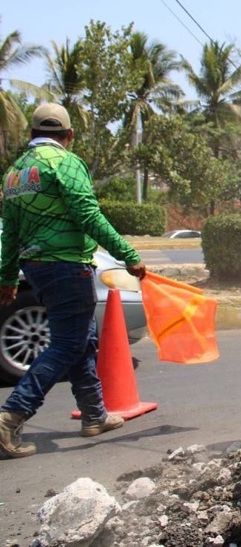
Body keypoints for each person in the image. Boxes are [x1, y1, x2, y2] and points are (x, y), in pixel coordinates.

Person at [0, 104, 147, 459]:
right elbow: (88, 215)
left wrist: (6, 277)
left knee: (83, 338)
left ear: (31, 134)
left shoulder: (15, 173)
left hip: (35, 266)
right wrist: (128, 254)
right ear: (69, 136)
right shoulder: (64, 162)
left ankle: (94, 415)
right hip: (66, 265)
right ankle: (11, 416)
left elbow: (10, 232)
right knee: (67, 343)